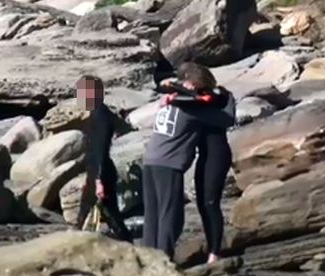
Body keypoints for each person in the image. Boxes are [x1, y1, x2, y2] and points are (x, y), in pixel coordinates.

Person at [142, 62, 234, 261]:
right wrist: (227, 97)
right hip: (168, 164)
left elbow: (171, 87)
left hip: (149, 160)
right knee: (170, 217)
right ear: (193, 85)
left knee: (152, 216)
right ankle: (163, 260)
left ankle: (146, 260)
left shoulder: (170, 100)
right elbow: (227, 119)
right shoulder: (192, 109)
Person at [76, 75, 133, 243]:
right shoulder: (97, 113)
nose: (79, 97)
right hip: (95, 171)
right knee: (88, 212)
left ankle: (128, 243)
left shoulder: (101, 115)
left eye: (82, 93)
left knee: (110, 214)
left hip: (102, 172)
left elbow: (101, 148)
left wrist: (99, 180)